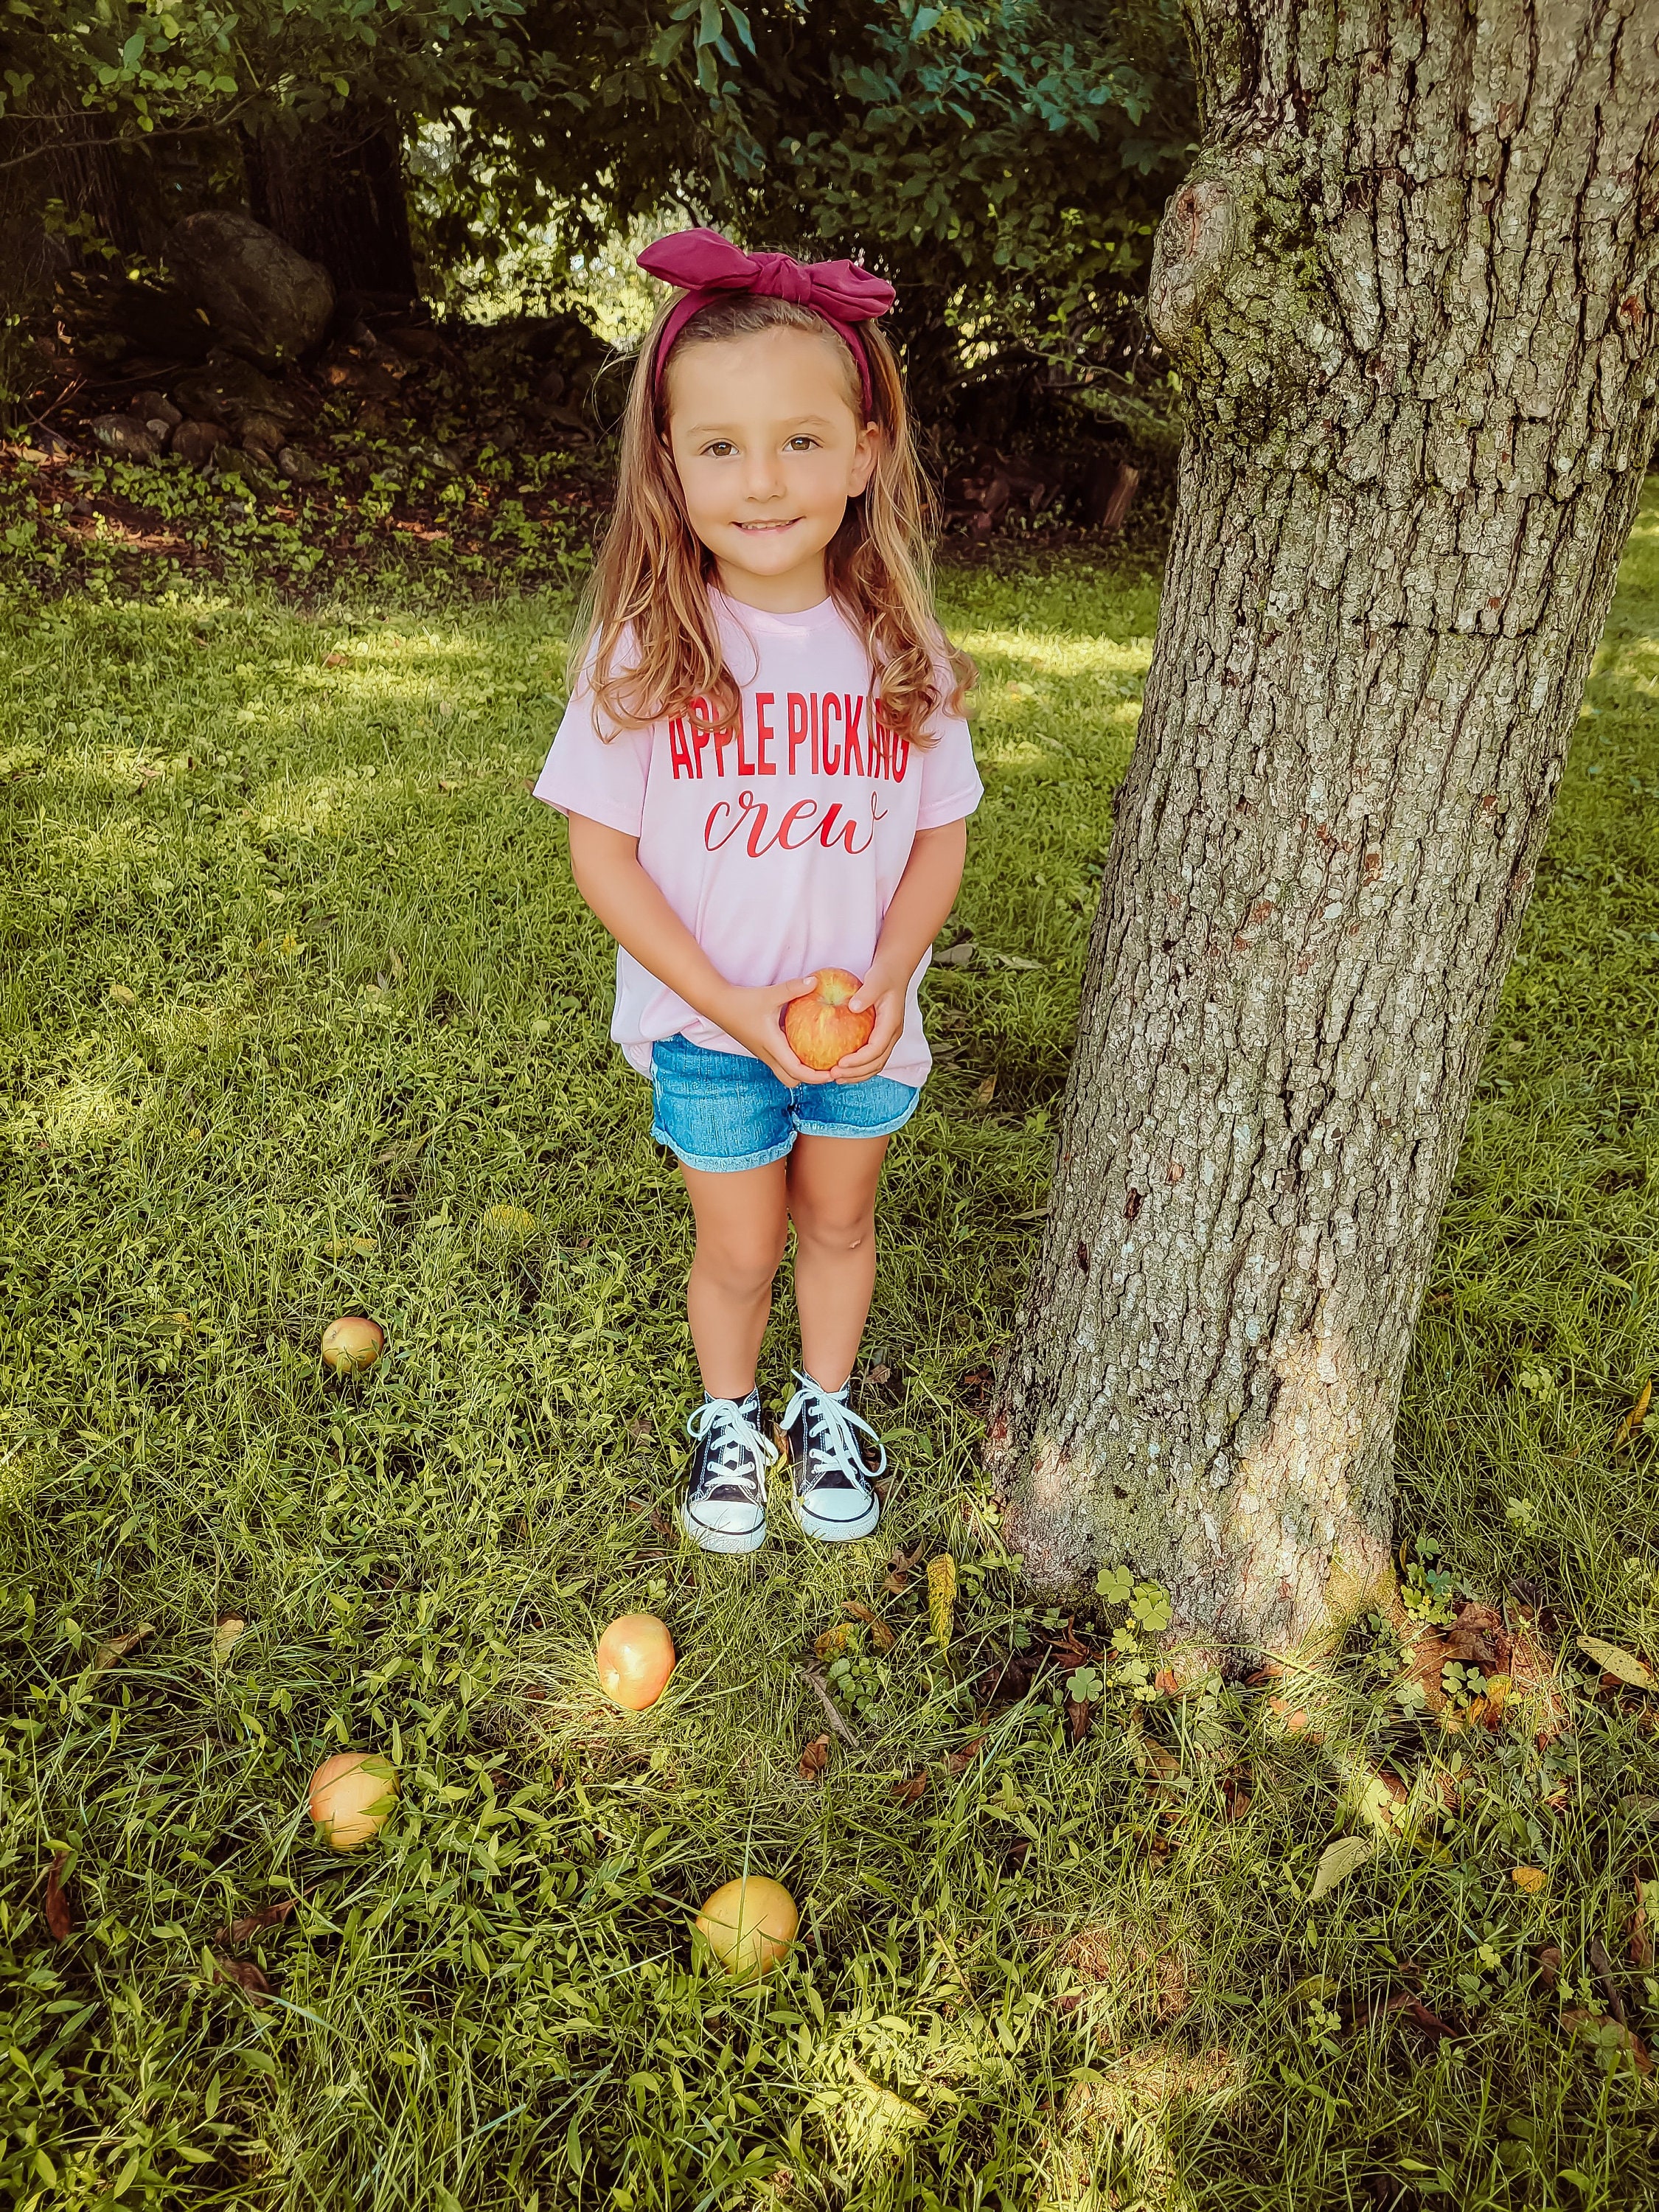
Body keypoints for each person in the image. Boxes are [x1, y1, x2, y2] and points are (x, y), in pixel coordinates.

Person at [533, 228, 981, 1554]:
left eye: (800, 440)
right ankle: (730, 1418)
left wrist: (893, 977)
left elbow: (938, 837)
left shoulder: (900, 645)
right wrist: (728, 1004)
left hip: (862, 1023)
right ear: (668, 466)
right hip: (709, 1032)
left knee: (839, 1225)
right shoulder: (648, 649)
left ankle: (824, 1406)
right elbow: (600, 855)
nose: (763, 478)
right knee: (736, 1248)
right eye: (718, 446)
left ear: (864, 452)